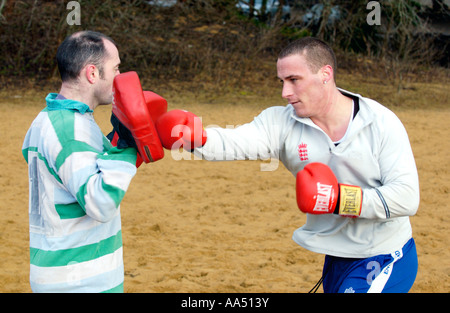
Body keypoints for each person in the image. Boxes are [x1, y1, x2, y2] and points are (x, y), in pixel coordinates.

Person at [155, 37, 420, 293]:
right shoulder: (280, 122)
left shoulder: (381, 122)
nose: (285, 92)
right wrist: (193, 136)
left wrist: (339, 198)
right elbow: (234, 141)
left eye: (294, 80)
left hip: (384, 257)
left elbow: (407, 198)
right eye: (282, 81)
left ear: (325, 74)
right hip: (337, 258)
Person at [22, 31, 139, 292]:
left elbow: (70, 167)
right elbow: (101, 203)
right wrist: (128, 146)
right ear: (92, 74)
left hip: (64, 272)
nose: (120, 77)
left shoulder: (49, 119)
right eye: (116, 68)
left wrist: (117, 141)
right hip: (78, 280)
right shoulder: (70, 130)